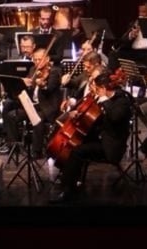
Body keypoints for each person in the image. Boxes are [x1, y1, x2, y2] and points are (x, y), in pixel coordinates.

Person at [51, 70, 131, 203]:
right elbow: (97, 121)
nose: (94, 92)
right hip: (101, 139)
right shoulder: (103, 100)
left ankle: (69, 191)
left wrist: (103, 99)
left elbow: (114, 117)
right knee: (73, 144)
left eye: (97, 89)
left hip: (111, 146)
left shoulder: (122, 100)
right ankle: (69, 181)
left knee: (77, 151)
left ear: (103, 89)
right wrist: (79, 115)